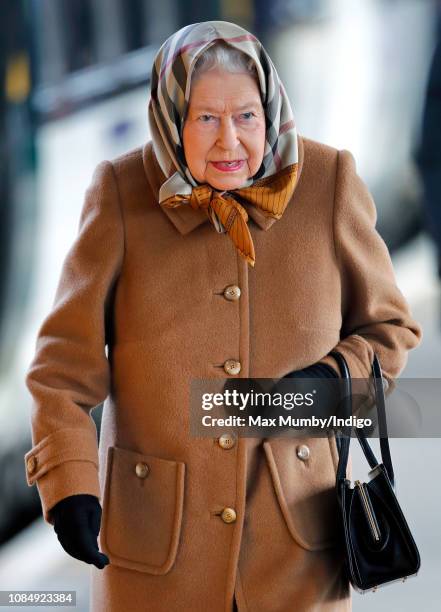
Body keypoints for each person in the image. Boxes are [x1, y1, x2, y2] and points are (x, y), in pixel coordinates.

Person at [23, 20, 422, 612]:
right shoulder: (121, 194)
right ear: (172, 117)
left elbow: (391, 330)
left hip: (298, 547)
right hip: (155, 553)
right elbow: (60, 371)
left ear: (270, 111)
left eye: (246, 117)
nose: (228, 142)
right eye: (205, 118)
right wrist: (69, 485)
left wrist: (327, 387)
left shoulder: (328, 182)